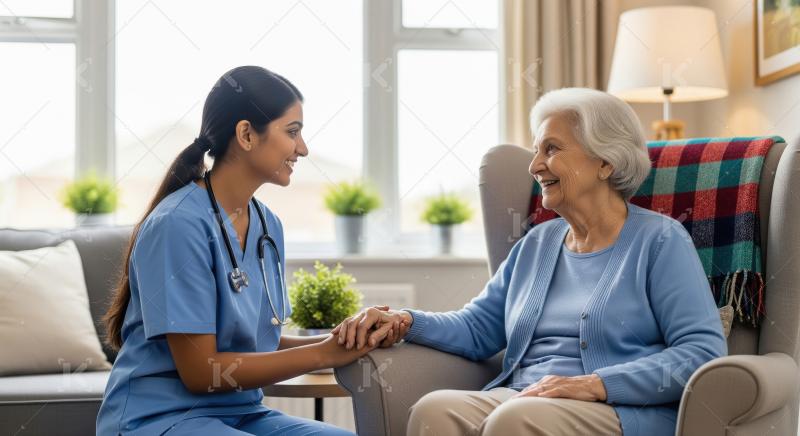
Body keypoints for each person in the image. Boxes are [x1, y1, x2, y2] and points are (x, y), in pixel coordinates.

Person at [335, 88, 728, 436]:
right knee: (435, 410)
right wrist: (405, 320)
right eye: (537, 150)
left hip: (618, 410)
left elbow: (702, 351)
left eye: (551, 149)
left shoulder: (659, 240)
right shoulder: (538, 242)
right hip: (526, 396)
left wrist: (596, 383)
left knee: (517, 419)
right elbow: (478, 329)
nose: (534, 165)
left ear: (605, 163)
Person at [96, 66, 399, 436]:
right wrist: (323, 354)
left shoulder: (268, 225)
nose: (302, 149)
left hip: (243, 415)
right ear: (246, 134)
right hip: (159, 418)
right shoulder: (177, 225)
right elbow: (200, 371)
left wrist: (344, 338)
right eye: (292, 132)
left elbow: (262, 343)